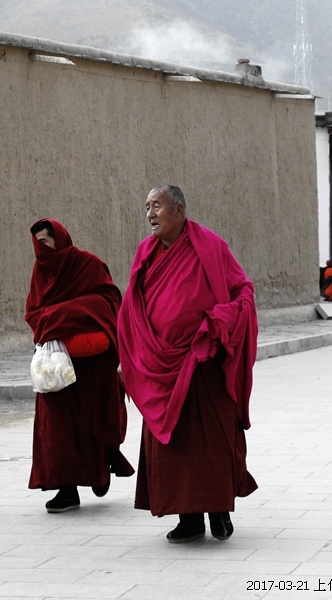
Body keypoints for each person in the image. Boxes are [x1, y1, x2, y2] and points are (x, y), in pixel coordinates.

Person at [117, 185, 259, 543]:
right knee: (173, 445)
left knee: (213, 441)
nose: (150, 214)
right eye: (147, 207)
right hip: (160, 364)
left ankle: (219, 511)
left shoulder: (210, 246)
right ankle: (188, 518)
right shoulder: (146, 253)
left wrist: (223, 319)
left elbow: (243, 291)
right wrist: (133, 354)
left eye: (157, 206)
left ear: (179, 209)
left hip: (203, 363)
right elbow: (133, 305)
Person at [25, 219, 134, 513]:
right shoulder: (41, 272)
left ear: (59, 239)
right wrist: (51, 321)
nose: (41, 249)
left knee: (92, 421)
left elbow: (108, 301)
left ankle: (100, 471)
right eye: (37, 244)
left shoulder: (87, 264)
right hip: (57, 367)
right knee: (57, 428)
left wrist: (61, 315)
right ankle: (66, 490)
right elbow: (34, 313)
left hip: (92, 366)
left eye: (45, 242)